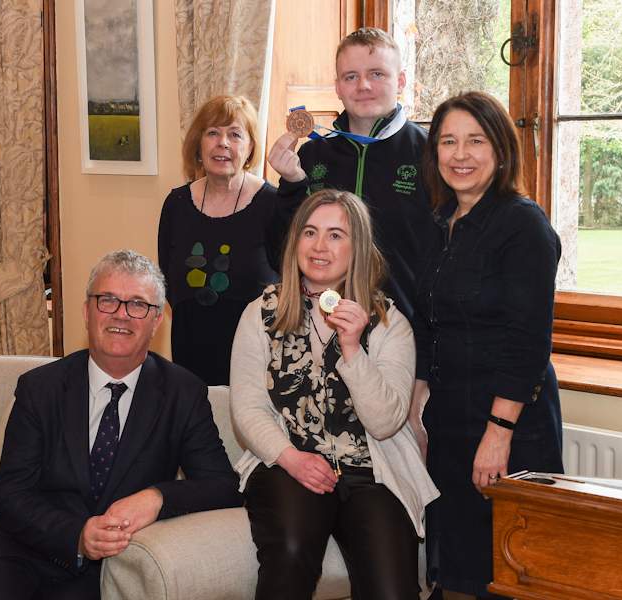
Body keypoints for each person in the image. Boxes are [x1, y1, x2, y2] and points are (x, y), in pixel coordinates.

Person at [0, 249, 243, 600]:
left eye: (138, 304)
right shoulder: (40, 387)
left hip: (111, 565)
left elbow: (223, 486)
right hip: (24, 548)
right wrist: (77, 536)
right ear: (87, 312)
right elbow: (10, 495)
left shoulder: (182, 393)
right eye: (108, 300)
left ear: (157, 321)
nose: (121, 315)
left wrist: (156, 498)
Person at [230, 189, 439, 600]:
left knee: (393, 591)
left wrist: (353, 349)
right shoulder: (261, 313)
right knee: (290, 551)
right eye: (309, 232)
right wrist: (291, 459)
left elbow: (385, 422)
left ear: (357, 247)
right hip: (290, 461)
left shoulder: (390, 324)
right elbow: (248, 407)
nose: (319, 246)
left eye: (335, 235)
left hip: (371, 469)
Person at [410, 91, 564, 599]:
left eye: (475, 141)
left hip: (511, 423)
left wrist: (499, 434)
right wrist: (415, 412)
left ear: (500, 149)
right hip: (450, 420)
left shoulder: (523, 224)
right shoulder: (440, 222)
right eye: (448, 142)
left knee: (511, 572)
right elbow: (428, 325)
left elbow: (529, 341)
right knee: (458, 571)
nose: (461, 155)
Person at [265, 27, 434, 321]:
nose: (363, 85)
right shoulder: (310, 157)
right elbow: (280, 256)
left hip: (405, 328)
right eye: (351, 76)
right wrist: (292, 186)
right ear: (337, 86)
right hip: (320, 328)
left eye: (377, 74)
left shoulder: (432, 154)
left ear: (401, 81)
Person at [158, 94, 280, 385]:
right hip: (190, 356)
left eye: (235, 134)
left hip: (256, 363)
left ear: (250, 147)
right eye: (213, 133)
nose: (223, 143)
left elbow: (290, 286)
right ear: (199, 144)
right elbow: (166, 282)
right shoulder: (176, 204)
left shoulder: (274, 204)